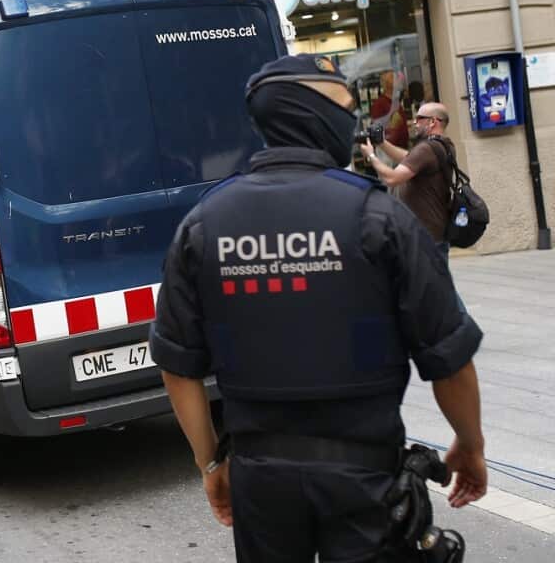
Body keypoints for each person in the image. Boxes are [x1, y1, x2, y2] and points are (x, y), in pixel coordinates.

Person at [151, 54, 488, 562]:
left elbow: (178, 367)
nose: (350, 122)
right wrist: (470, 443)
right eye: (344, 108)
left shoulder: (204, 224)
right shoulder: (378, 219)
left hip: (260, 483)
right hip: (367, 484)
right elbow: (449, 356)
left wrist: (210, 464)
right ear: (313, 115)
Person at [360, 101, 455, 252]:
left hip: (425, 237)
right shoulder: (443, 144)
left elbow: (392, 179)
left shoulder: (426, 149)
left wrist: (371, 155)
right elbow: (407, 158)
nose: (414, 123)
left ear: (433, 122)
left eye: (419, 118)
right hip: (432, 233)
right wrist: (382, 143)